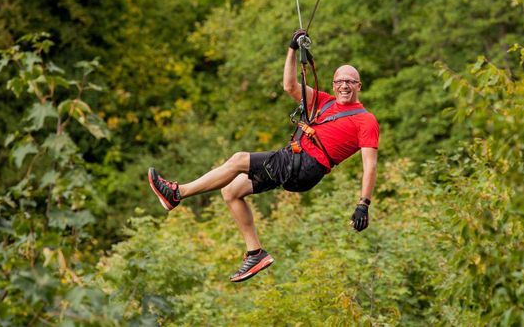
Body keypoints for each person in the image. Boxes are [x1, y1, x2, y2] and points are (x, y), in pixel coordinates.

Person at [147, 31, 380, 282]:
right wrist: (292, 49)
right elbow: (289, 86)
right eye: (340, 81)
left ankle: (176, 193)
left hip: (306, 166)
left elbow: (370, 167)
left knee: (237, 160)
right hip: (293, 159)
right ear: (333, 85)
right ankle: (255, 253)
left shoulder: (365, 121)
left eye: (350, 82)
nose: (344, 85)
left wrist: (363, 204)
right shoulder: (323, 102)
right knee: (231, 192)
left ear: (359, 86)